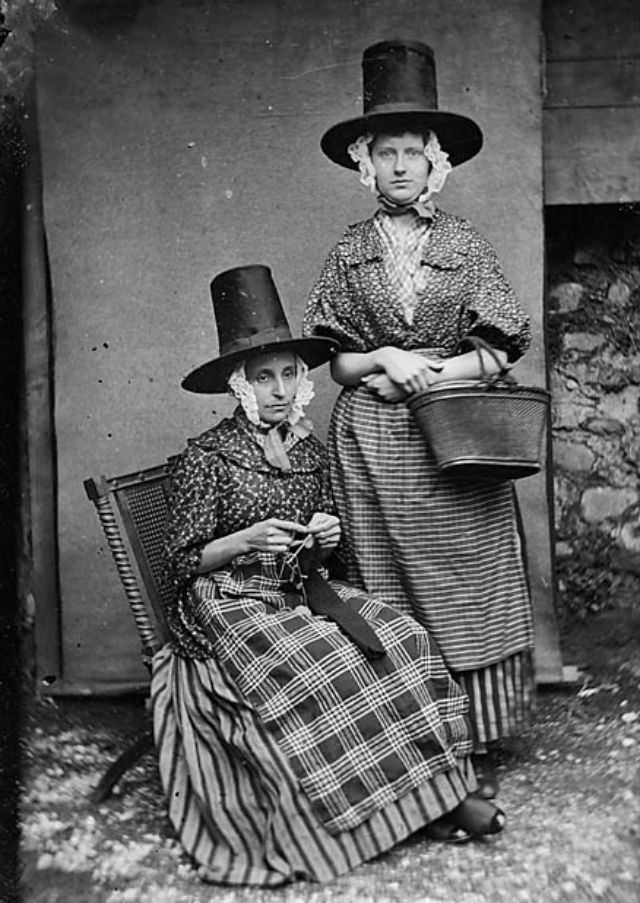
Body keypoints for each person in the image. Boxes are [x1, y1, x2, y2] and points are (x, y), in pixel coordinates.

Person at [151, 264, 505, 887]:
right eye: (265, 378)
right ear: (238, 385)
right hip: (227, 599)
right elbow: (179, 564)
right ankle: (375, 817)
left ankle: (435, 796)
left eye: (290, 374)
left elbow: (326, 561)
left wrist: (327, 538)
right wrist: (244, 540)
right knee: (324, 662)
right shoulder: (206, 458)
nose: (281, 390)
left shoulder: (311, 451)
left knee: (403, 638)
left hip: (296, 588)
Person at [303, 40, 535, 799]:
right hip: (373, 441)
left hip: (456, 437)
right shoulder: (349, 252)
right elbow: (334, 360)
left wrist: (441, 371)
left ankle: (473, 734)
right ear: (364, 163)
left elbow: (502, 347)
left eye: (413, 152)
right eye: (385, 152)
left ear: (437, 162)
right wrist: (383, 360)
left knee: (468, 577)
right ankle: (412, 734)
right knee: (386, 583)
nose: (400, 166)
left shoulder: (465, 245)